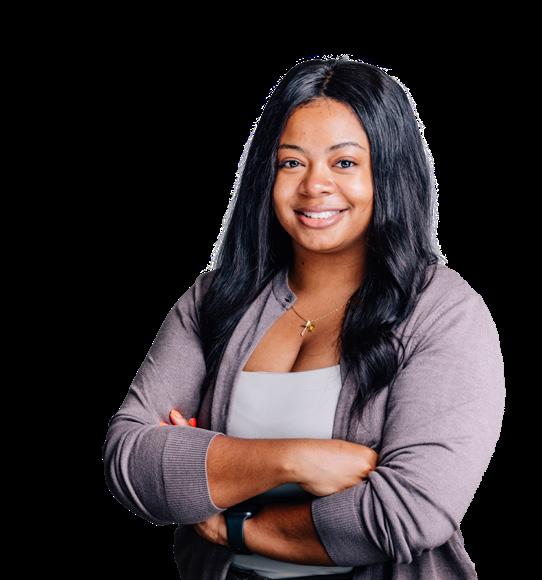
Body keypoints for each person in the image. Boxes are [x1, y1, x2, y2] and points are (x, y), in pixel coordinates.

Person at [102, 56, 505, 580]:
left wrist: (230, 520)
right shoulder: (214, 298)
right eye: (292, 162)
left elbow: (405, 514)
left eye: (345, 162)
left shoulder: (443, 312)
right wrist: (297, 459)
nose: (315, 185)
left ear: (388, 173)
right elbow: (129, 461)